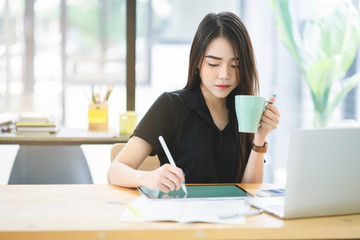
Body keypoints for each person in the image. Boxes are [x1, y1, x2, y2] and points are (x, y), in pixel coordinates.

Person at [107, 12, 280, 193]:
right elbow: (115, 171)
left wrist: (260, 138)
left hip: (232, 219)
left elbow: (249, 190)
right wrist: (148, 177)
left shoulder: (244, 110)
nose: (224, 75)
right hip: (182, 216)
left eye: (235, 65)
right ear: (198, 62)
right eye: (214, 63)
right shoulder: (170, 106)